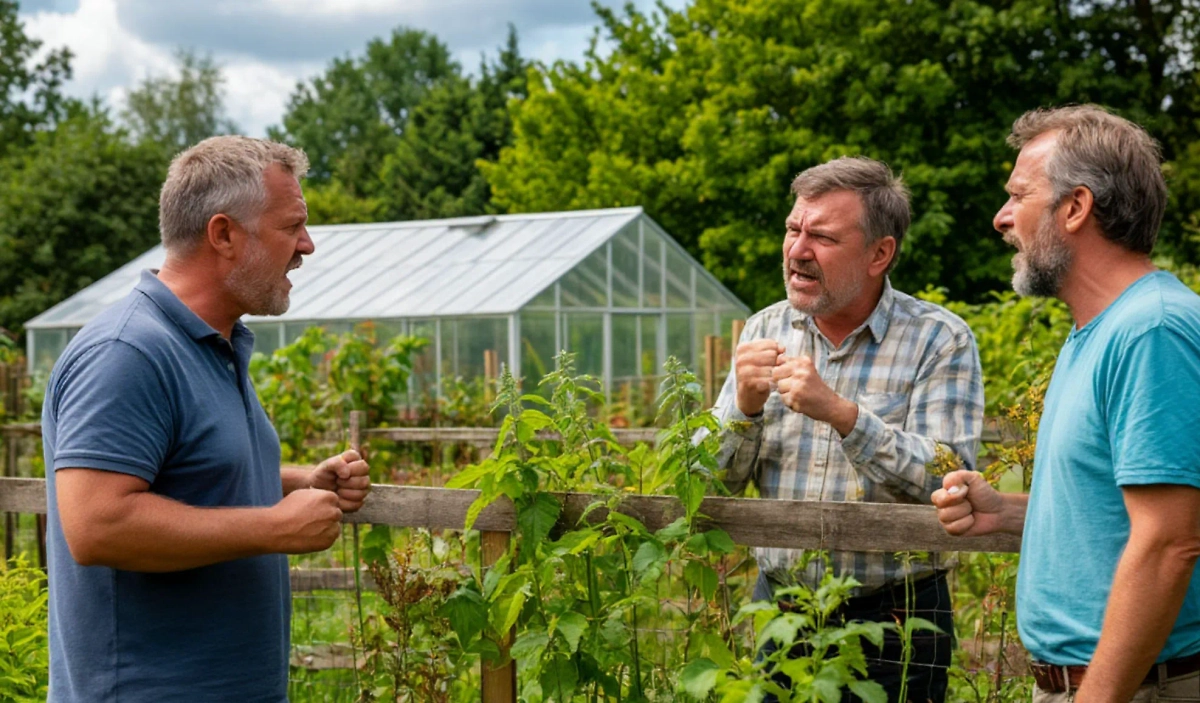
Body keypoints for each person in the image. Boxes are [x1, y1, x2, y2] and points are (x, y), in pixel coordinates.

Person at [42, 136, 372, 702]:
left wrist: (295, 481)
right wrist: (275, 527)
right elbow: (96, 524)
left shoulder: (210, 344)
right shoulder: (128, 352)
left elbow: (190, 475)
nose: (307, 246)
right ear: (223, 234)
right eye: (291, 226)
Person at [933, 105, 1200, 702]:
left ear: (1076, 207)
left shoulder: (1151, 331)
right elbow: (1118, 510)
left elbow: (1169, 542)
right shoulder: (1098, 332)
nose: (1002, 218)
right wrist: (1004, 511)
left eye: (1018, 195)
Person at [710, 156, 984, 701]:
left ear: (880, 253)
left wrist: (843, 415)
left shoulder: (940, 339)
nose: (797, 250)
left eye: (823, 237)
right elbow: (712, 482)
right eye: (793, 229)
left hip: (897, 620)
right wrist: (742, 408)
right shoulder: (765, 327)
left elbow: (951, 475)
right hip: (781, 613)